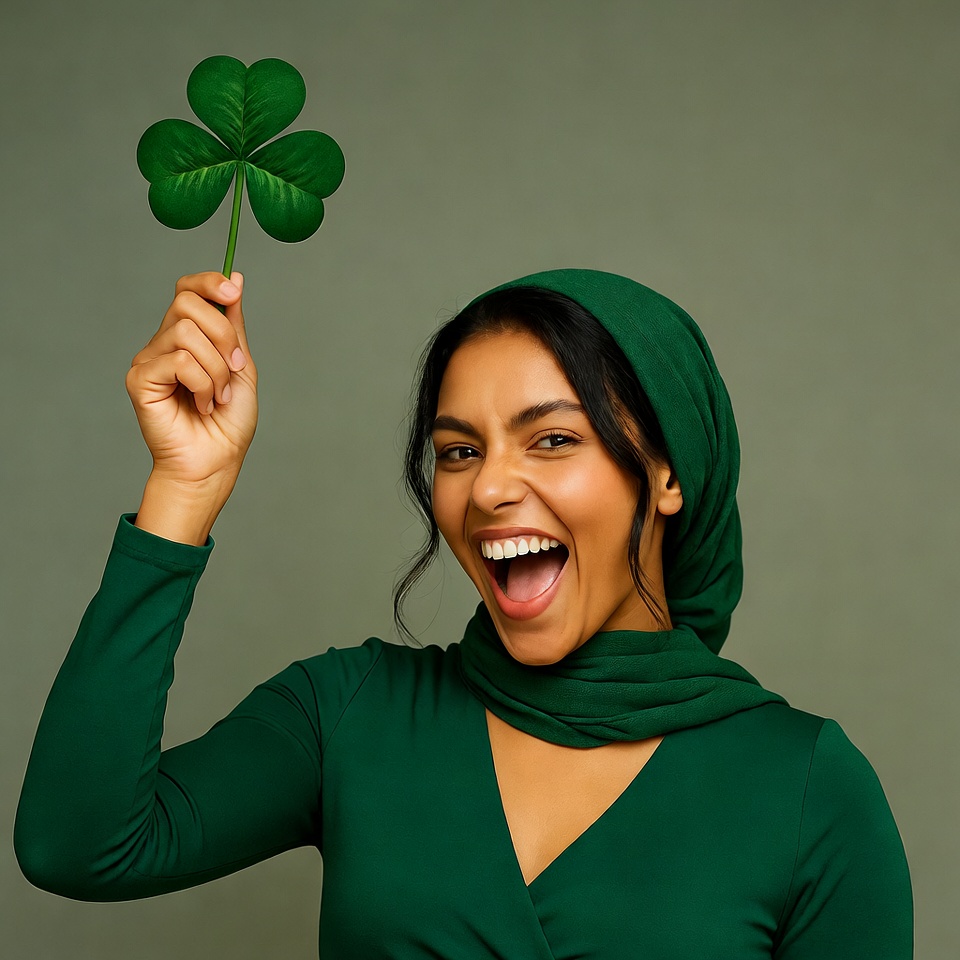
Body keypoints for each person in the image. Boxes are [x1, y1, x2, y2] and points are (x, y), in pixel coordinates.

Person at [15, 268, 913, 958]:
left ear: (668, 472)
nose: (487, 487)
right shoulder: (352, 714)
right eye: (457, 451)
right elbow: (78, 842)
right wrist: (185, 486)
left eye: (553, 439)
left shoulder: (808, 790)